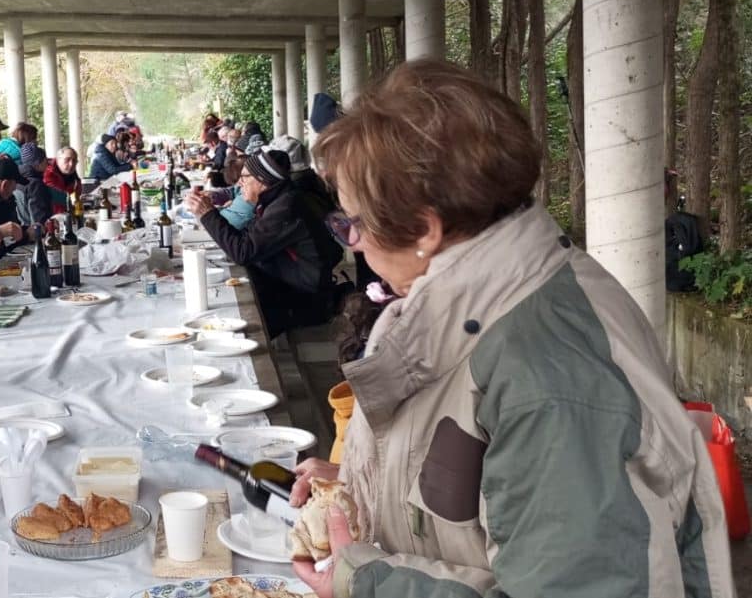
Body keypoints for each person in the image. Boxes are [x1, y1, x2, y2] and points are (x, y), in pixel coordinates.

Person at [288, 61, 733, 598]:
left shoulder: (550, 378)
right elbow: (491, 497)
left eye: (351, 225)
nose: (352, 243)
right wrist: (369, 486)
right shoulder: (484, 301)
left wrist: (368, 582)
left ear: (425, 229)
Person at [184, 148, 342, 337]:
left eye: (244, 177)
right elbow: (245, 240)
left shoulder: (286, 207)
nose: (239, 183)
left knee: (231, 321)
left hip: (303, 298)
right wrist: (211, 214)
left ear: (263, 181)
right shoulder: (275, 201)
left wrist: (208, 215)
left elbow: (243, 252)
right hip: (285, 285)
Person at [13, 145, 54, 227]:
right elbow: (39, 217)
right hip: (37, 233)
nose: (47, 162)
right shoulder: (35, 184)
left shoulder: (17, 180)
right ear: (37, 163)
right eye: (44, 159)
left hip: (24, 230)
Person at [44, 147, 81, 215]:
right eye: (67, 160)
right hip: (54, 216)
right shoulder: (48, 173)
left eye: (74, 161)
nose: (71, 164)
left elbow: (77, 194)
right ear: (58, 160)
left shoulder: (72, 173)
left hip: (68, 212)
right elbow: (61, 198)